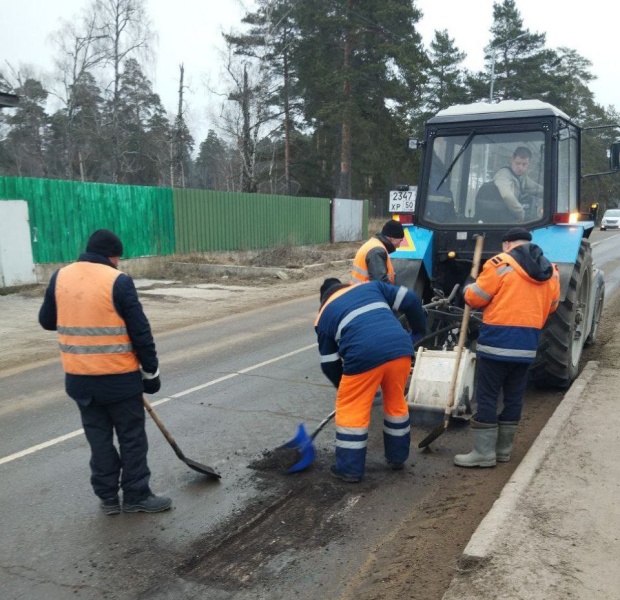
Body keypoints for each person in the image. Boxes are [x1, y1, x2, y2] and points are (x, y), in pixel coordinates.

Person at [38, 229, 172, 514]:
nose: (118, 263)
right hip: (118, 380)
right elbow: (140, 331)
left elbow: (47, 321)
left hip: (79, 381)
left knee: (98, 439)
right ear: (112, 256)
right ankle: (137, 495)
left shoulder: (60, 276)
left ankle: (108, 498)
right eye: (118, 258)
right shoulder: (118, 281)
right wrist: (151, 373)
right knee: (131, 438)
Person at [454, 227, 560, 468]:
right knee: (514, 397)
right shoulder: (550, 270)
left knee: (488, 396)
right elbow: (553, 305)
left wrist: (468, 285)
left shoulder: (499, 264)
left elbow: (475, 298)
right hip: (527, 345)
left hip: (497, 343)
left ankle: (483, 454)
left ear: (507, 244)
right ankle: (503, 450)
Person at [315, 277, 427, 482]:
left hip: (363, 355)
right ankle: (397, 459)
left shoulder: (323, 315)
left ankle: (349, 469)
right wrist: (419, 329)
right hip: (400, 350)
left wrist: (344, 388)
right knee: (396, 404)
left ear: (323, 299)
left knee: (352, 409)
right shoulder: (371, 286)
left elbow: (329, 363)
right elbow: (410, 299)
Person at [493, 146, 544, 222]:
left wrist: (550, 194)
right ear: (512, 160)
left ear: (528, 163)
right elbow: (507, 196)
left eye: (524, 164)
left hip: (509, 217)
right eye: (517, 163)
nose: (520, 167)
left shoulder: (522, 177)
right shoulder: (503, 175)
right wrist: (520, 212)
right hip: (498, 220)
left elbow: (537, 189)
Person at [350, 219, 404, 284]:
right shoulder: (377, 251)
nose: (399, 245)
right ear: (392, 238)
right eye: (400, 241)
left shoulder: (374, 244)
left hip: (362, 291)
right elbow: (380, 283)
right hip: (366, 293)